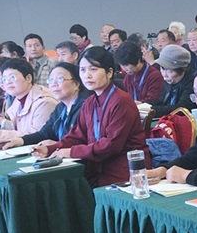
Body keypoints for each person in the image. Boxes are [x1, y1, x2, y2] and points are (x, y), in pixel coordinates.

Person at [34, 47, 147, 187]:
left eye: (93, 69)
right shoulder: (90, 102)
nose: (87, 75)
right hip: (97, 169)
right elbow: (77, 136)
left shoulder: (121, 101)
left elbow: (111, 145)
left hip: (124, 173)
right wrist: (50, 149)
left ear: (110, 72)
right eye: (82, 70)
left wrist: (71, 152)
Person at [0, 62, 88, 148]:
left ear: (76, 84)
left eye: (60, 79)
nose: (54, 84)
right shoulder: (61, 107)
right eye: (50, 80)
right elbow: (44, 134)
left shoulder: (86, 107)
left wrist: (57, 145)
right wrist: (18, 141)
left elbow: (83, 142)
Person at [0, 57, 57, 135]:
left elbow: (37, 136)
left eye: (12, 77)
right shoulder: (18, 100)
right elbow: (17, 128)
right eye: (4, 79)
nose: (7, 82)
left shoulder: (45, 102)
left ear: (28, 78)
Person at [148, 44, 196, 118]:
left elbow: (181, 109)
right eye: (162, 69)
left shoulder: (193, 83)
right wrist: (142, 105)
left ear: (181, 70)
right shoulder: (169, 80)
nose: (164, 75)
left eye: (169, 71)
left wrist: (151, 110)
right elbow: (161, 102)